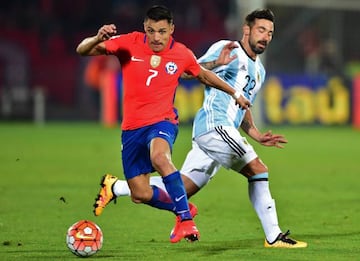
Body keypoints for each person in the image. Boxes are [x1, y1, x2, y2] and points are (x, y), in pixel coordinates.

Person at [99, 8, 308, 248]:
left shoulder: (259, 70)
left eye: (270, 33)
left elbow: (242, 107)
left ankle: (116, 187)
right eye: (261, 30)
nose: (265, 37)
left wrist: (257, 135)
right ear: (247, 29)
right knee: (258, 170)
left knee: (182, 188)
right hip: (214, 125)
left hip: (225, 129)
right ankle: (274, 236)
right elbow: (187, 71)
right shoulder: (229, 49)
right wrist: (216, 62)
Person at [76, 5, 251, 244]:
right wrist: (97, 37)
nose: (156, 37)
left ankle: (186, 221)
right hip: (131, 129)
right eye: (151, 31)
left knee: (160, 157)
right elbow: (82, 50)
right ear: (144, 29)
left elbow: (200, 74)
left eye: (161, 31)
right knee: (140, 193)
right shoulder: (129, 42)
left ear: (171, 29)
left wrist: (234, 93)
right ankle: (183, 208)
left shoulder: (181, 52)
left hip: (163, 121)